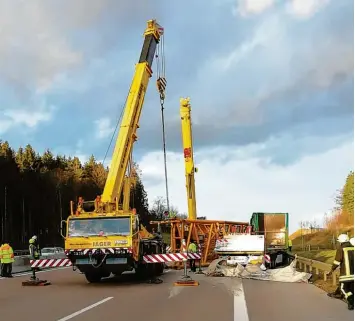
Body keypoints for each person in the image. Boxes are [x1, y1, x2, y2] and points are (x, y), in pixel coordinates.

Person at [327, 234, 354, 310]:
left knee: (343, 288)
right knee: (352, 288)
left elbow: (337, 262)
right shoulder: (353, 247)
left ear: (341, 241)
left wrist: (332, 270)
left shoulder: (341, 248)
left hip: (346, 274)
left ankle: (351, 301)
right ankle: (339, 294)